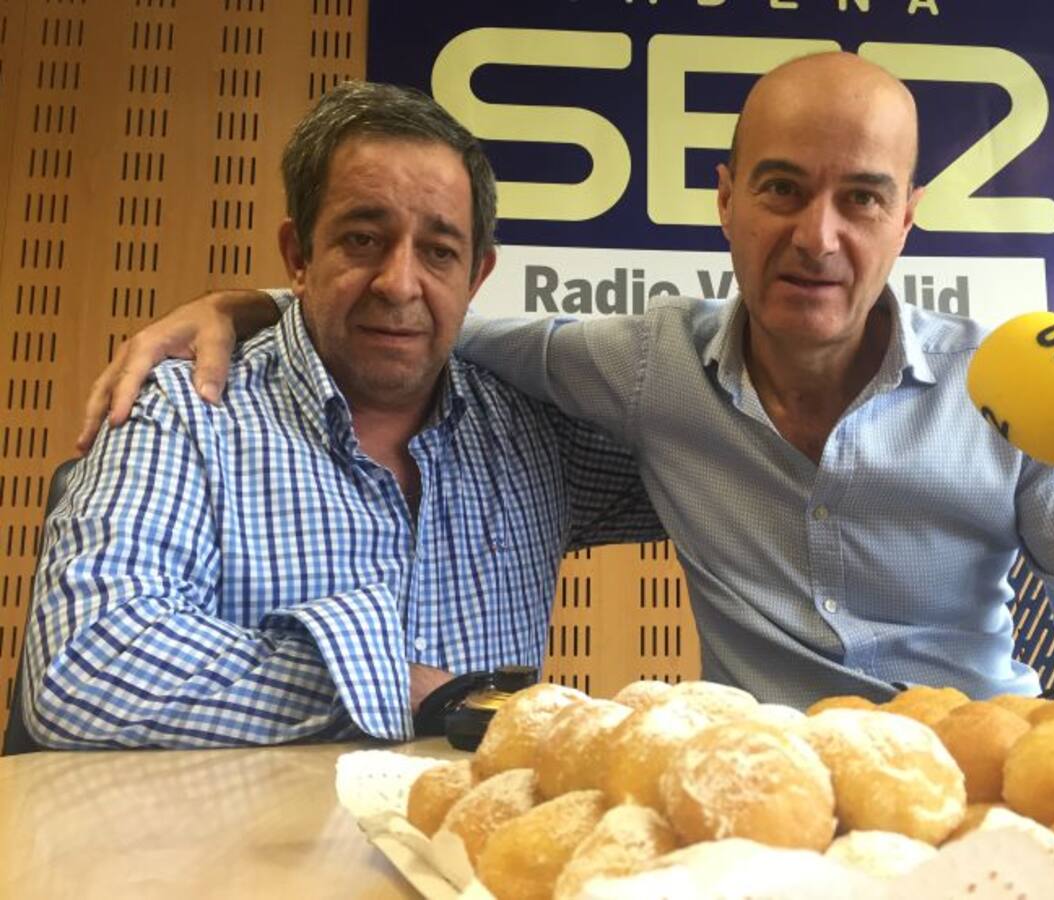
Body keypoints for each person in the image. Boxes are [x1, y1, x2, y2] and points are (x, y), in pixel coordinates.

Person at [78, 54, 1054, 708]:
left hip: (968, 800)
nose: (817, 236)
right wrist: (256, 307)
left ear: (906, 220)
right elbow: (426, 317)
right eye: (780, 188)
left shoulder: (1011, 392)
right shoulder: (647, 367)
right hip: (752, 826)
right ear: (725, 198)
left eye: (860, 198)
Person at [25, 81, 662, 749]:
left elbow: (725, 464)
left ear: (475, 276)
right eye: (363, 239)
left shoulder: (537, 434)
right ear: (299, 256)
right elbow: (81, 667)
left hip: (469, 820)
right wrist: (410, 693)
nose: (399, 284)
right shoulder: (188, 412)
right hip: (257, 821)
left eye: (439, 252)